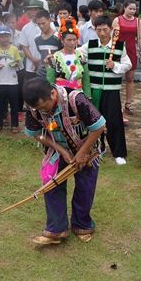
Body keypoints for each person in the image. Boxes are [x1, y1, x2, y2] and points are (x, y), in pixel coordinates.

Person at [23, 77, 106, 245]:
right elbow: (36, 134)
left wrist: (81, 154)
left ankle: (82, 225)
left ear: (53, 94)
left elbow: (99, 127)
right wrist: (61, 150)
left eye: (44, 106)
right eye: (39, 109)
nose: (43, 112)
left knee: (85, 187)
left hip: (87, 150)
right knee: (52, 185)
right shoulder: (34, 109)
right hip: (57, 150)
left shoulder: (76, 99)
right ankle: (57, 229)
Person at [79, 16, 132, 164]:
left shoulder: (120, 46)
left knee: (114, 121)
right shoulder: (90, 45)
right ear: (94, 30)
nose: (102, 33)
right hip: (93, 90)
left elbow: (128, 64)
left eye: (105, 30)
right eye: (99, 30)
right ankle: (97, 148)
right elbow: (77, 55)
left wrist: (115, 65)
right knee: (94, 120)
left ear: (111, 30)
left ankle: (118, 153)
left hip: (111, 90)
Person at [114, 0, 141, 115]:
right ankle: (116, 103)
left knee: (130, 78)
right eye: (130, 8)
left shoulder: (137, 21)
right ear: (125, 8)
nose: (132, 11)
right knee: (116, 78)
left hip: (131, 51)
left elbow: (140, 38)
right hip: (118, 51)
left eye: (134, 9)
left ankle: (128, 103)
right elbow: (113, 37)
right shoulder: (117, 20)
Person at [0, 25, 21, 133]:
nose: (4, 39)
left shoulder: (14, 49)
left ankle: (14, 125)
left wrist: (14, 63)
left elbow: (18, 62)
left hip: (12, 81)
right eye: (1, 37)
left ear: (10, 37)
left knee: (14, 104)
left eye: (6, 36)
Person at [46, 19, 90, 94]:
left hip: (78, 95)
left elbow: (86, 80)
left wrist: (88, 96)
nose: (72, 43)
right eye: (69, 40)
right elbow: (50, 81)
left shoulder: (81, 56)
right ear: (62, 41)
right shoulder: (54, 58)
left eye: (74, 39)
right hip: (61, 96)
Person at [19, 0, 48, 80]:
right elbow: (25, 46)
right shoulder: (26, 27)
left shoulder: (50, 26)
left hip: (46, 66)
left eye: (35, 9)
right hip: (30, 66)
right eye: (31, 10)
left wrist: (42, 60)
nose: (33, 12)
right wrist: (33, 60)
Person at [34, 10, 62, 78]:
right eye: (39, 24)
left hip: (56, 74)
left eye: (43, 23)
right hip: (41, 74)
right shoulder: (37, 38)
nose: (41, 26)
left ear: (49, 20)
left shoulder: (58, 37)